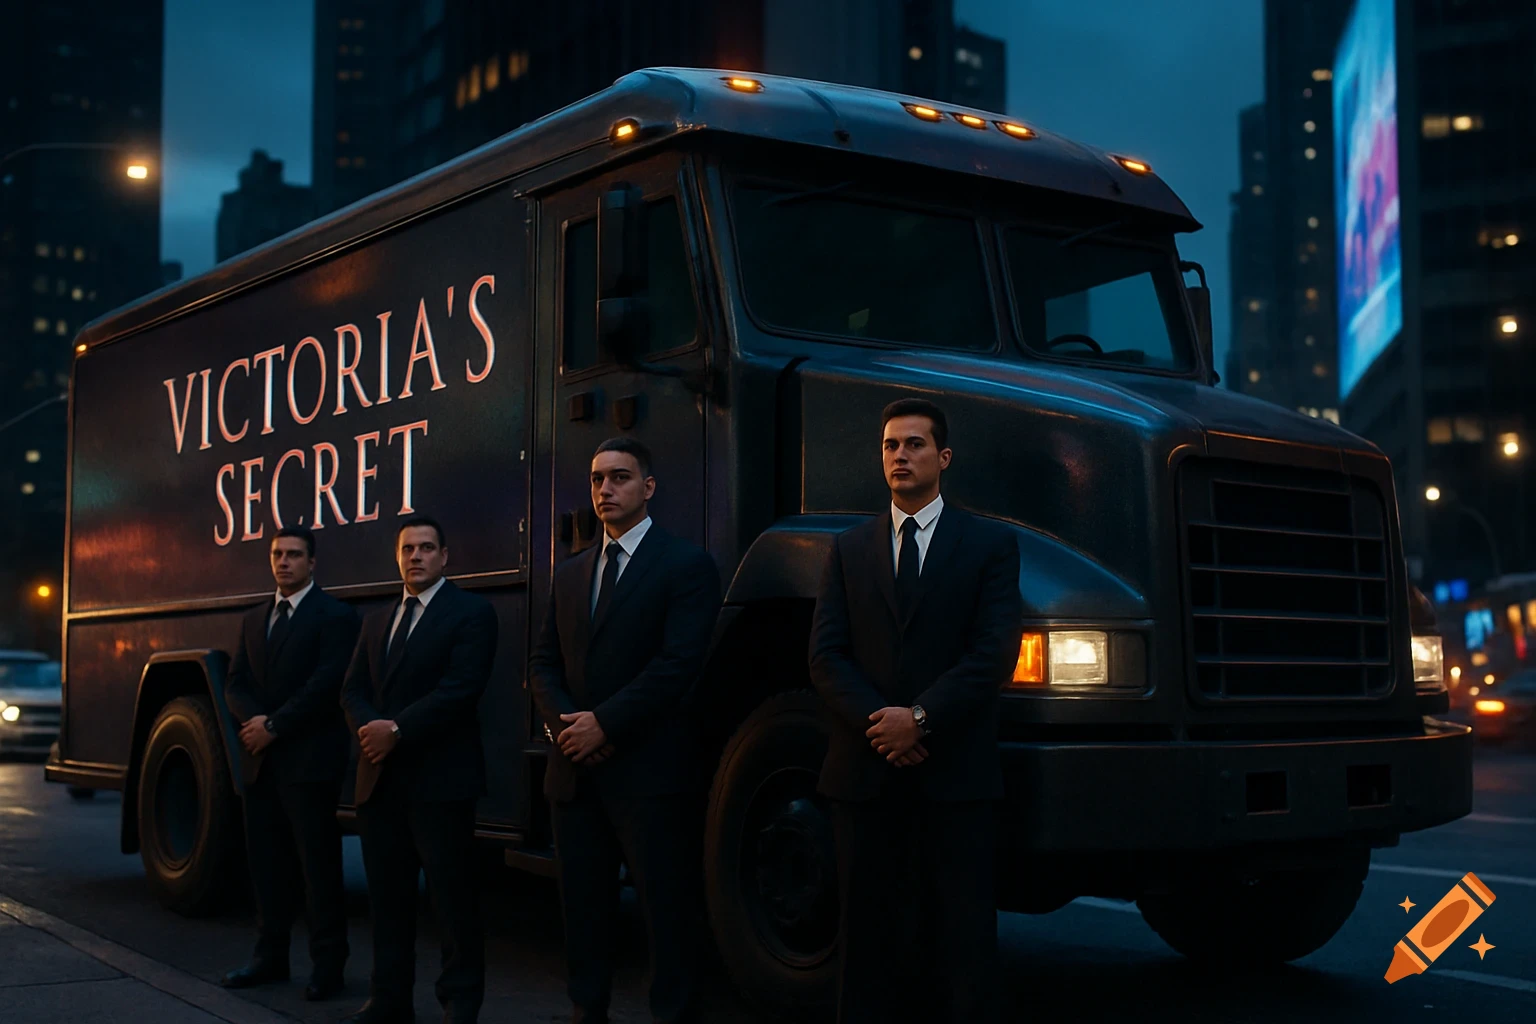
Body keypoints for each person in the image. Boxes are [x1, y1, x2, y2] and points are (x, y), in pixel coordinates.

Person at [809, 398, 1023, 1024]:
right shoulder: (847, 549)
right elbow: (825, 657)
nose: (900, 456)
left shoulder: (989, 545)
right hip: (864, 775)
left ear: (943, 457)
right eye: (890, 446)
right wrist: (885, 725)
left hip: (954, 777)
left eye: (914, 444)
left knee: (962, 945)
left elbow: (993, 655)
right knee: (865, 944)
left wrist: (922, 719)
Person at [529, 437, 722, 1024]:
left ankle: (675, 1014)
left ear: (649, 487)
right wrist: (570, 729)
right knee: (583, 909)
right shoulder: (569, 574)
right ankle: (588, 1010)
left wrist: (604, 724)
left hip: (650, 772)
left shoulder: (686, 565)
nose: (605, 490)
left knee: (667, 910)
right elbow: (541, 663)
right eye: (596, 480)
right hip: (576, 773)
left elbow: (679, 664)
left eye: (619, 478)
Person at [339, 516, 498, 1024]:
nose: (416, 556)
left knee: (453, 905)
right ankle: (389, 1000)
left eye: (427, 548)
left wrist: (398, 731)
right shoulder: (377, 620)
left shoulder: (472, 612)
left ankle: (460, 1004)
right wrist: (371, 729)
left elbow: (461, 688)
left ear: (445, 556)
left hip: (441, 783)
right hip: (379, 781)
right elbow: (352, 690)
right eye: (408, 548)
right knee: (388, 903)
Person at [221, 526, 359, 1001]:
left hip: (309, 763)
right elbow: (235, 681)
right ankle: (269, 957)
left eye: (294, 555)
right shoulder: (254, 618)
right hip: (260, 762)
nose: (284, 562)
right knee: (266, 866)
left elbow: (327, 685)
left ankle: (328, 966)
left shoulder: (335, 616)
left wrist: (274, 726)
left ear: (312, 563)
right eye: (277, 555)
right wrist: (253, 721)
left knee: (318, 870)